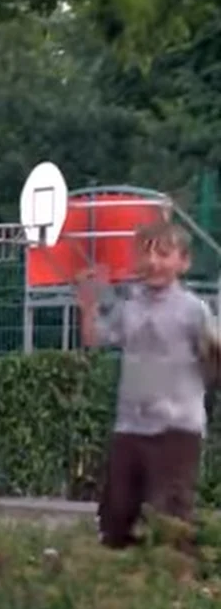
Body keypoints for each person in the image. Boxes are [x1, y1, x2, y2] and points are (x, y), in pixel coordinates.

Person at [79, 221, 218, 549]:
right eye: (146, 253)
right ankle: (121, 585)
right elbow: (94, 338)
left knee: (169, 516)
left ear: (183, 262)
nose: (154, 262)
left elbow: (214, 360)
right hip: (130, 426)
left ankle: (174, 589)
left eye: (164, 254)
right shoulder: (130, 307)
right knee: (116, 514)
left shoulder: (193, 310)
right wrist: (87, 307)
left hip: (176, 429)